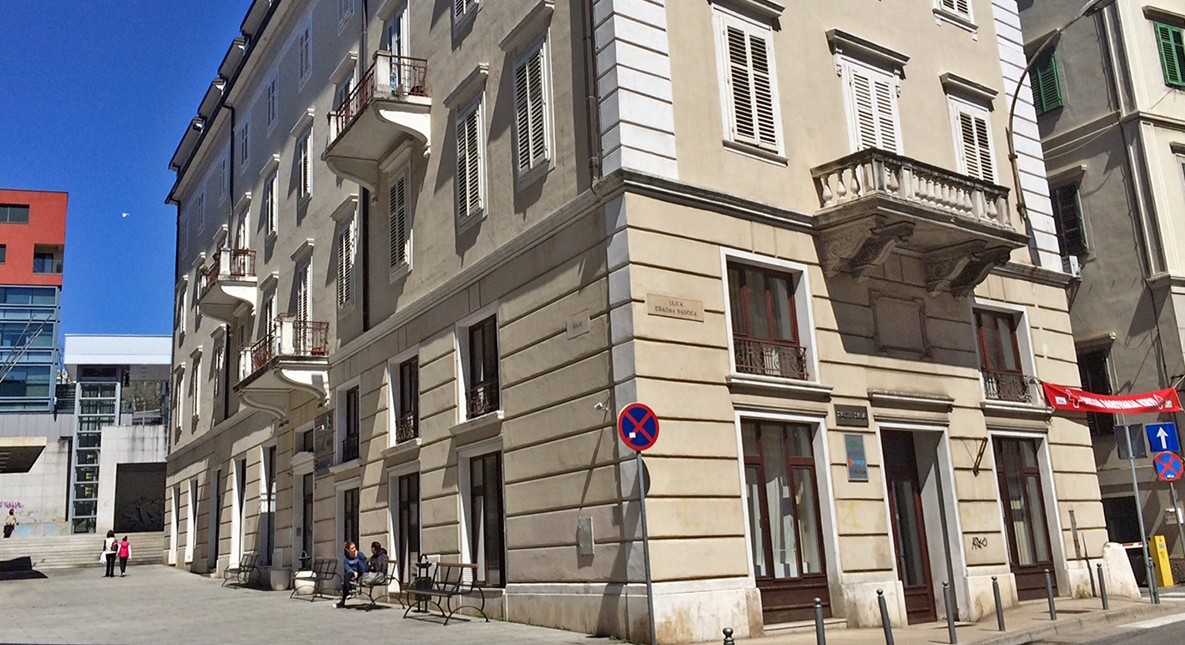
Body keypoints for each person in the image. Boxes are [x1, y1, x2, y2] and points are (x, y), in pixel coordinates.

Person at [336, 541, 368, 608]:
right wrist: (354, 572)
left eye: (354, 547)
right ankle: (349, 592)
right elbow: (347, 568)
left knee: (359, 562)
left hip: (362, 572)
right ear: (347, 550)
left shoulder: (360, 554)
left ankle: (344, 599)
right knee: (346, 576)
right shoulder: (345, 558)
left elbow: (365, 565)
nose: (354, 549)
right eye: (352, 548)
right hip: (353, 574)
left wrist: (358, 571)